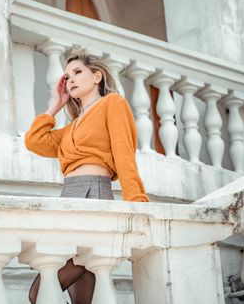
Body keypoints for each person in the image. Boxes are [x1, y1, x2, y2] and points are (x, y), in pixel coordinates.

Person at [24, 49, 149, 304]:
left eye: (78, 72)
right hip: (68, 199)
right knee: (84, 300)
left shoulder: (112, 104)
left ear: (97, 76)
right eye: (67, 76)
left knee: (39, 293)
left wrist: (138, 203)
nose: (70, 80)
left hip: (94, 196)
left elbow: (125, 157)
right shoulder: (70, 127)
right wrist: (56, 104)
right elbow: (34, 141)